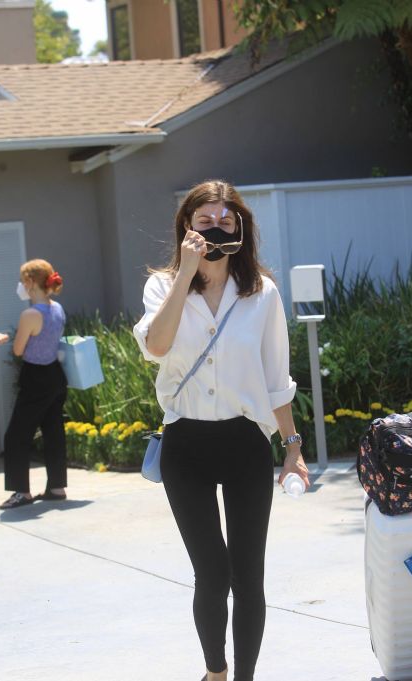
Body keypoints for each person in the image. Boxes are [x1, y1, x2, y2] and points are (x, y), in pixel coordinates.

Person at [133, 180, 310, 681]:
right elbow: (157, 347)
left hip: (245, 445)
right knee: (211, 574)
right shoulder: (162, 287)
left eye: (225, 218)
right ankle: (216, 671)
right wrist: (187, 272)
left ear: (240, 225)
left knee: (247, 577)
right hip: (185, 445)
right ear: (187, 227)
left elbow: (277, 378)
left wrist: (292, 448)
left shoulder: (262, 293)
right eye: (204, 219)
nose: (215, 226)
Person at [0, 259, 68, 510]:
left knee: (17, 434)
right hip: (56, 375)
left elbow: (18, 350)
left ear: (29, 282)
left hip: (35, 377)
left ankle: (21, 492)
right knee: (53, 431)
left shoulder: (30, 314)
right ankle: (57, 487)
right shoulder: (58, 308)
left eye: (22, 280)